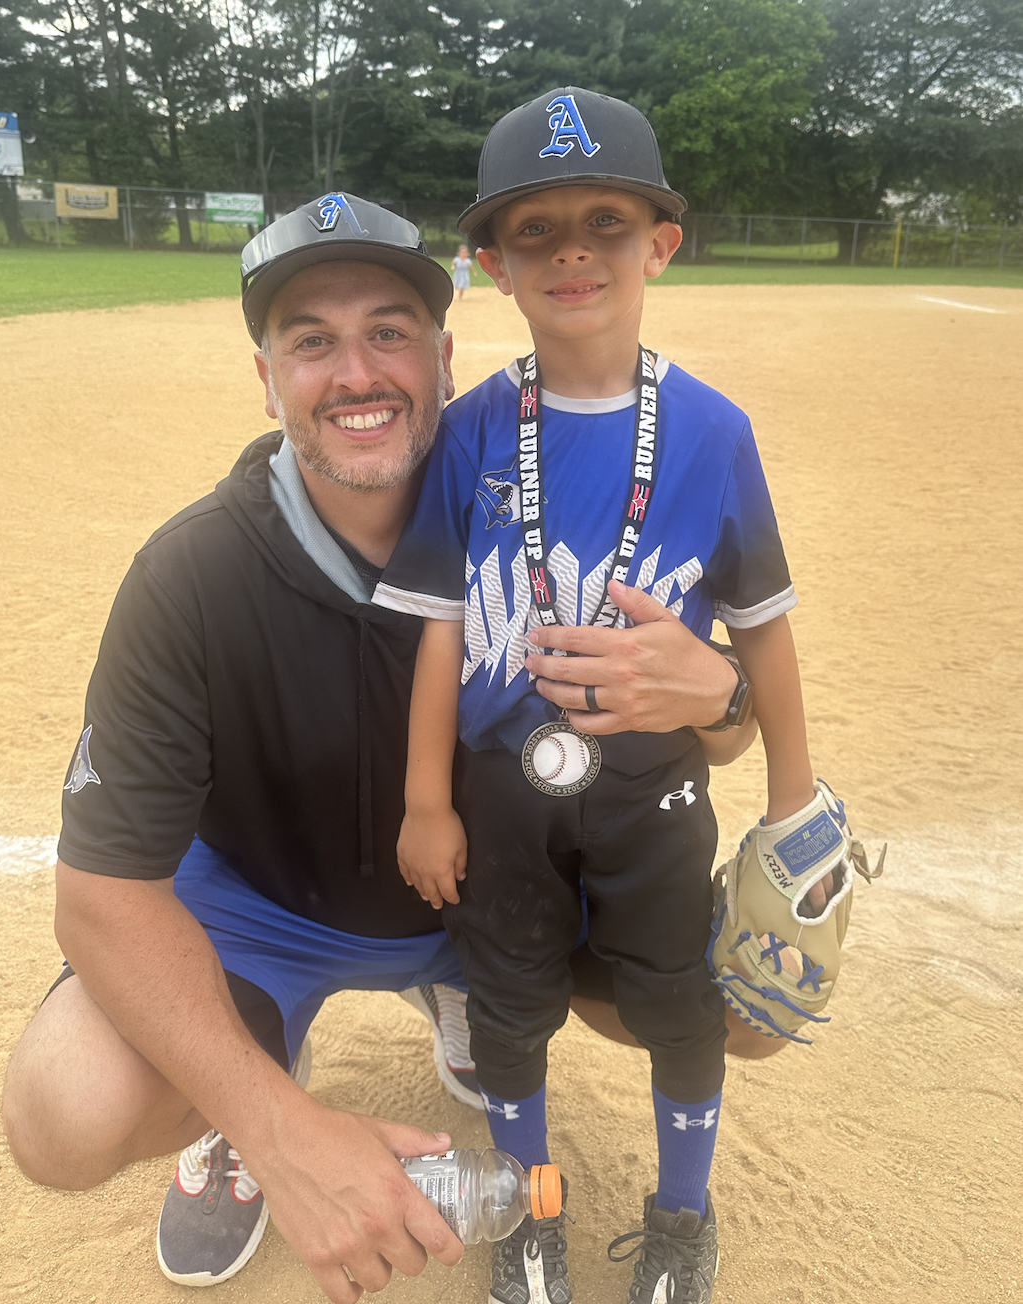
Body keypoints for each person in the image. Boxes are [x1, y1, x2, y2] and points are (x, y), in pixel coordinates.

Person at [0, 190, 760, 1302]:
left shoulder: (541, 509)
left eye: (388, 331)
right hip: (269, 904)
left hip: (491, 885)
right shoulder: (192, 576)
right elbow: (100, 895)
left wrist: (725, 694)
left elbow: (711, 728)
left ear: (446, 358)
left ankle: (458, 990)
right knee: (63, 1110)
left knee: (742, 1008)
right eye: (311, 340)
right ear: (267, 376)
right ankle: (245, 1079)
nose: (356, 372)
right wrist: (279, 1127)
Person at [373, 88, 826, 1304]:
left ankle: (683, 1211)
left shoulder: (712, 431)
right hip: (499, 790)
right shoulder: (470, 432)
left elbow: (765, 627)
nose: (574, 248)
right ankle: (531, 1211)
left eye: (608, 221)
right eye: (537, 230)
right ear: (493, 263)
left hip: (658, 784)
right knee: (510, 1011)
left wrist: (794, 800)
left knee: (682, 1005)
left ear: (660, 245)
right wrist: (427, 797)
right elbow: (437, 628)